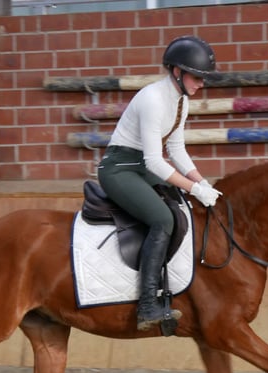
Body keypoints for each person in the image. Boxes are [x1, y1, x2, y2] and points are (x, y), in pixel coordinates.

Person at [97, 35, 222, 331]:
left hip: (140, 167)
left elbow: (176, 150)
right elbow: (155, 161)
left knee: (183, 206)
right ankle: (147, 305)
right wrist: (194, 188)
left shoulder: (181, 102)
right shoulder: (153, 99)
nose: (201, 84)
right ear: (177, 72)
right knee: (163, 218)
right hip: (119, 168)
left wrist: (203, 183)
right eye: (197, 77)